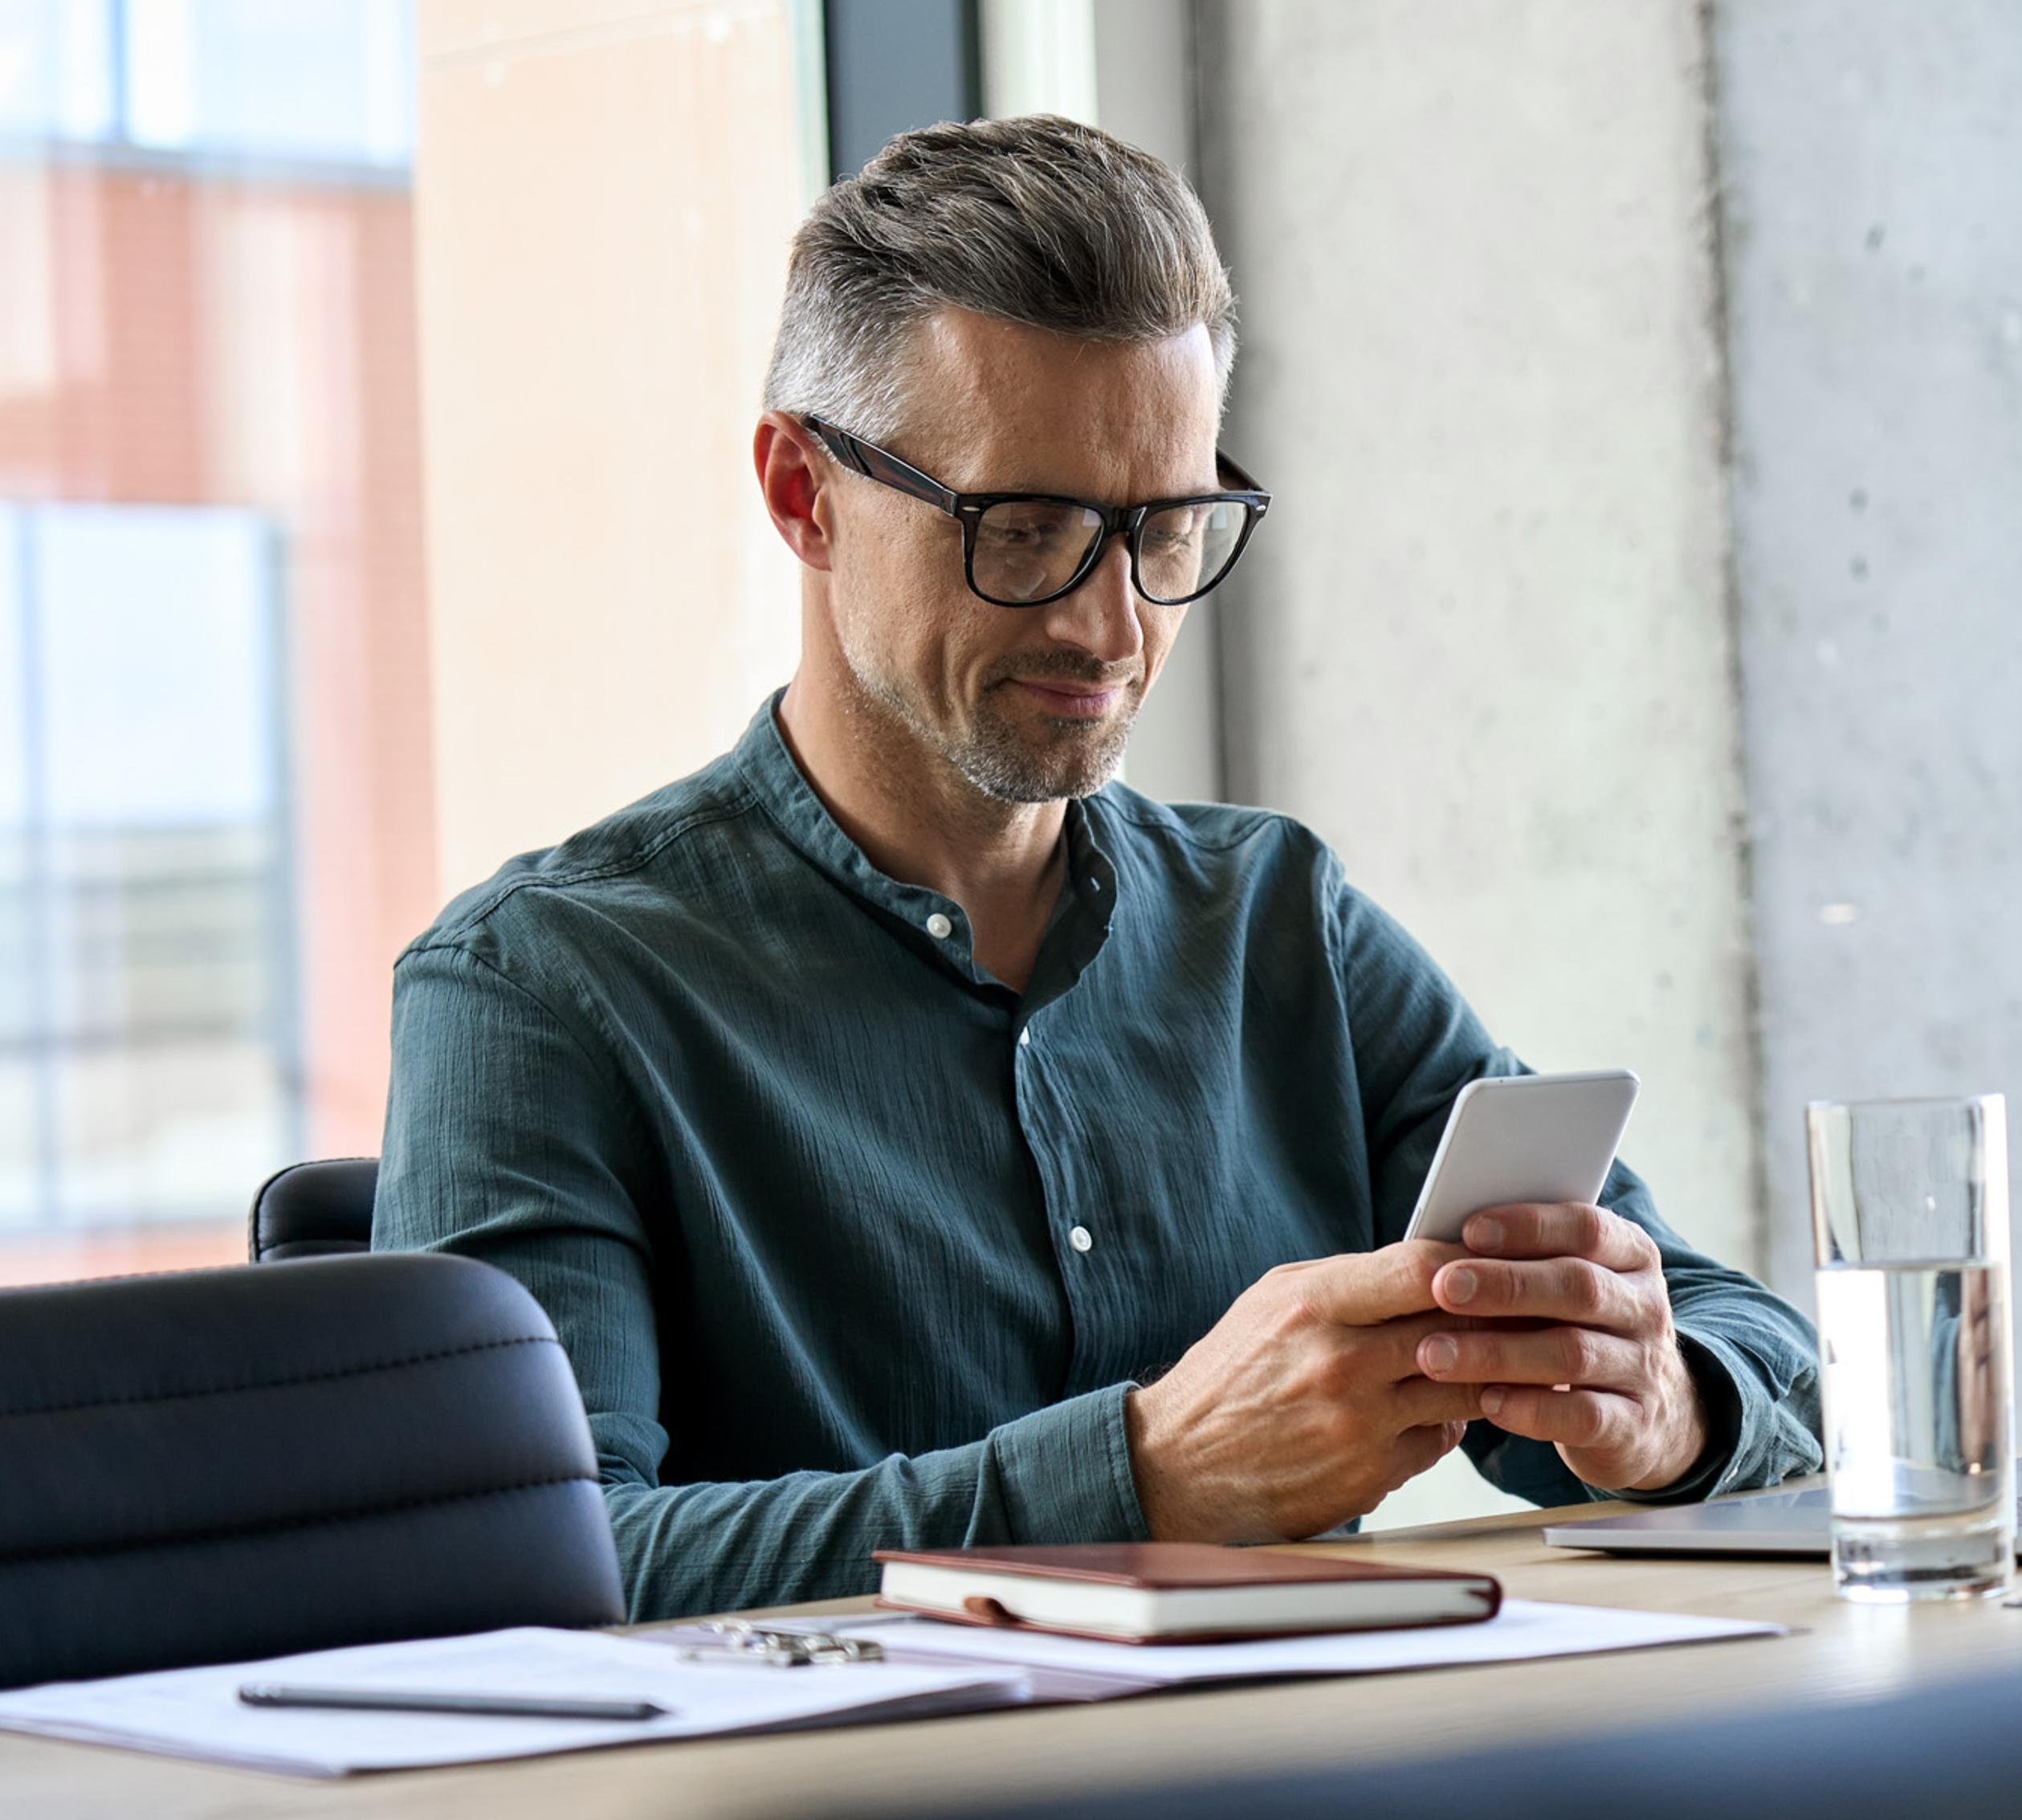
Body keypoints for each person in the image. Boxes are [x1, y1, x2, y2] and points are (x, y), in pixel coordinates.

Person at [375, 116, 1823, 1620]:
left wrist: (1657, 1409)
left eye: (1165, 529)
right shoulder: (543, 988)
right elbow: (525, 1566)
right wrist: (1140, 1479)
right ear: (804, 494)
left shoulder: (1279, 927)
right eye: (1029, 528)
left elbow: (1735, 1333)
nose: (1112, 625)